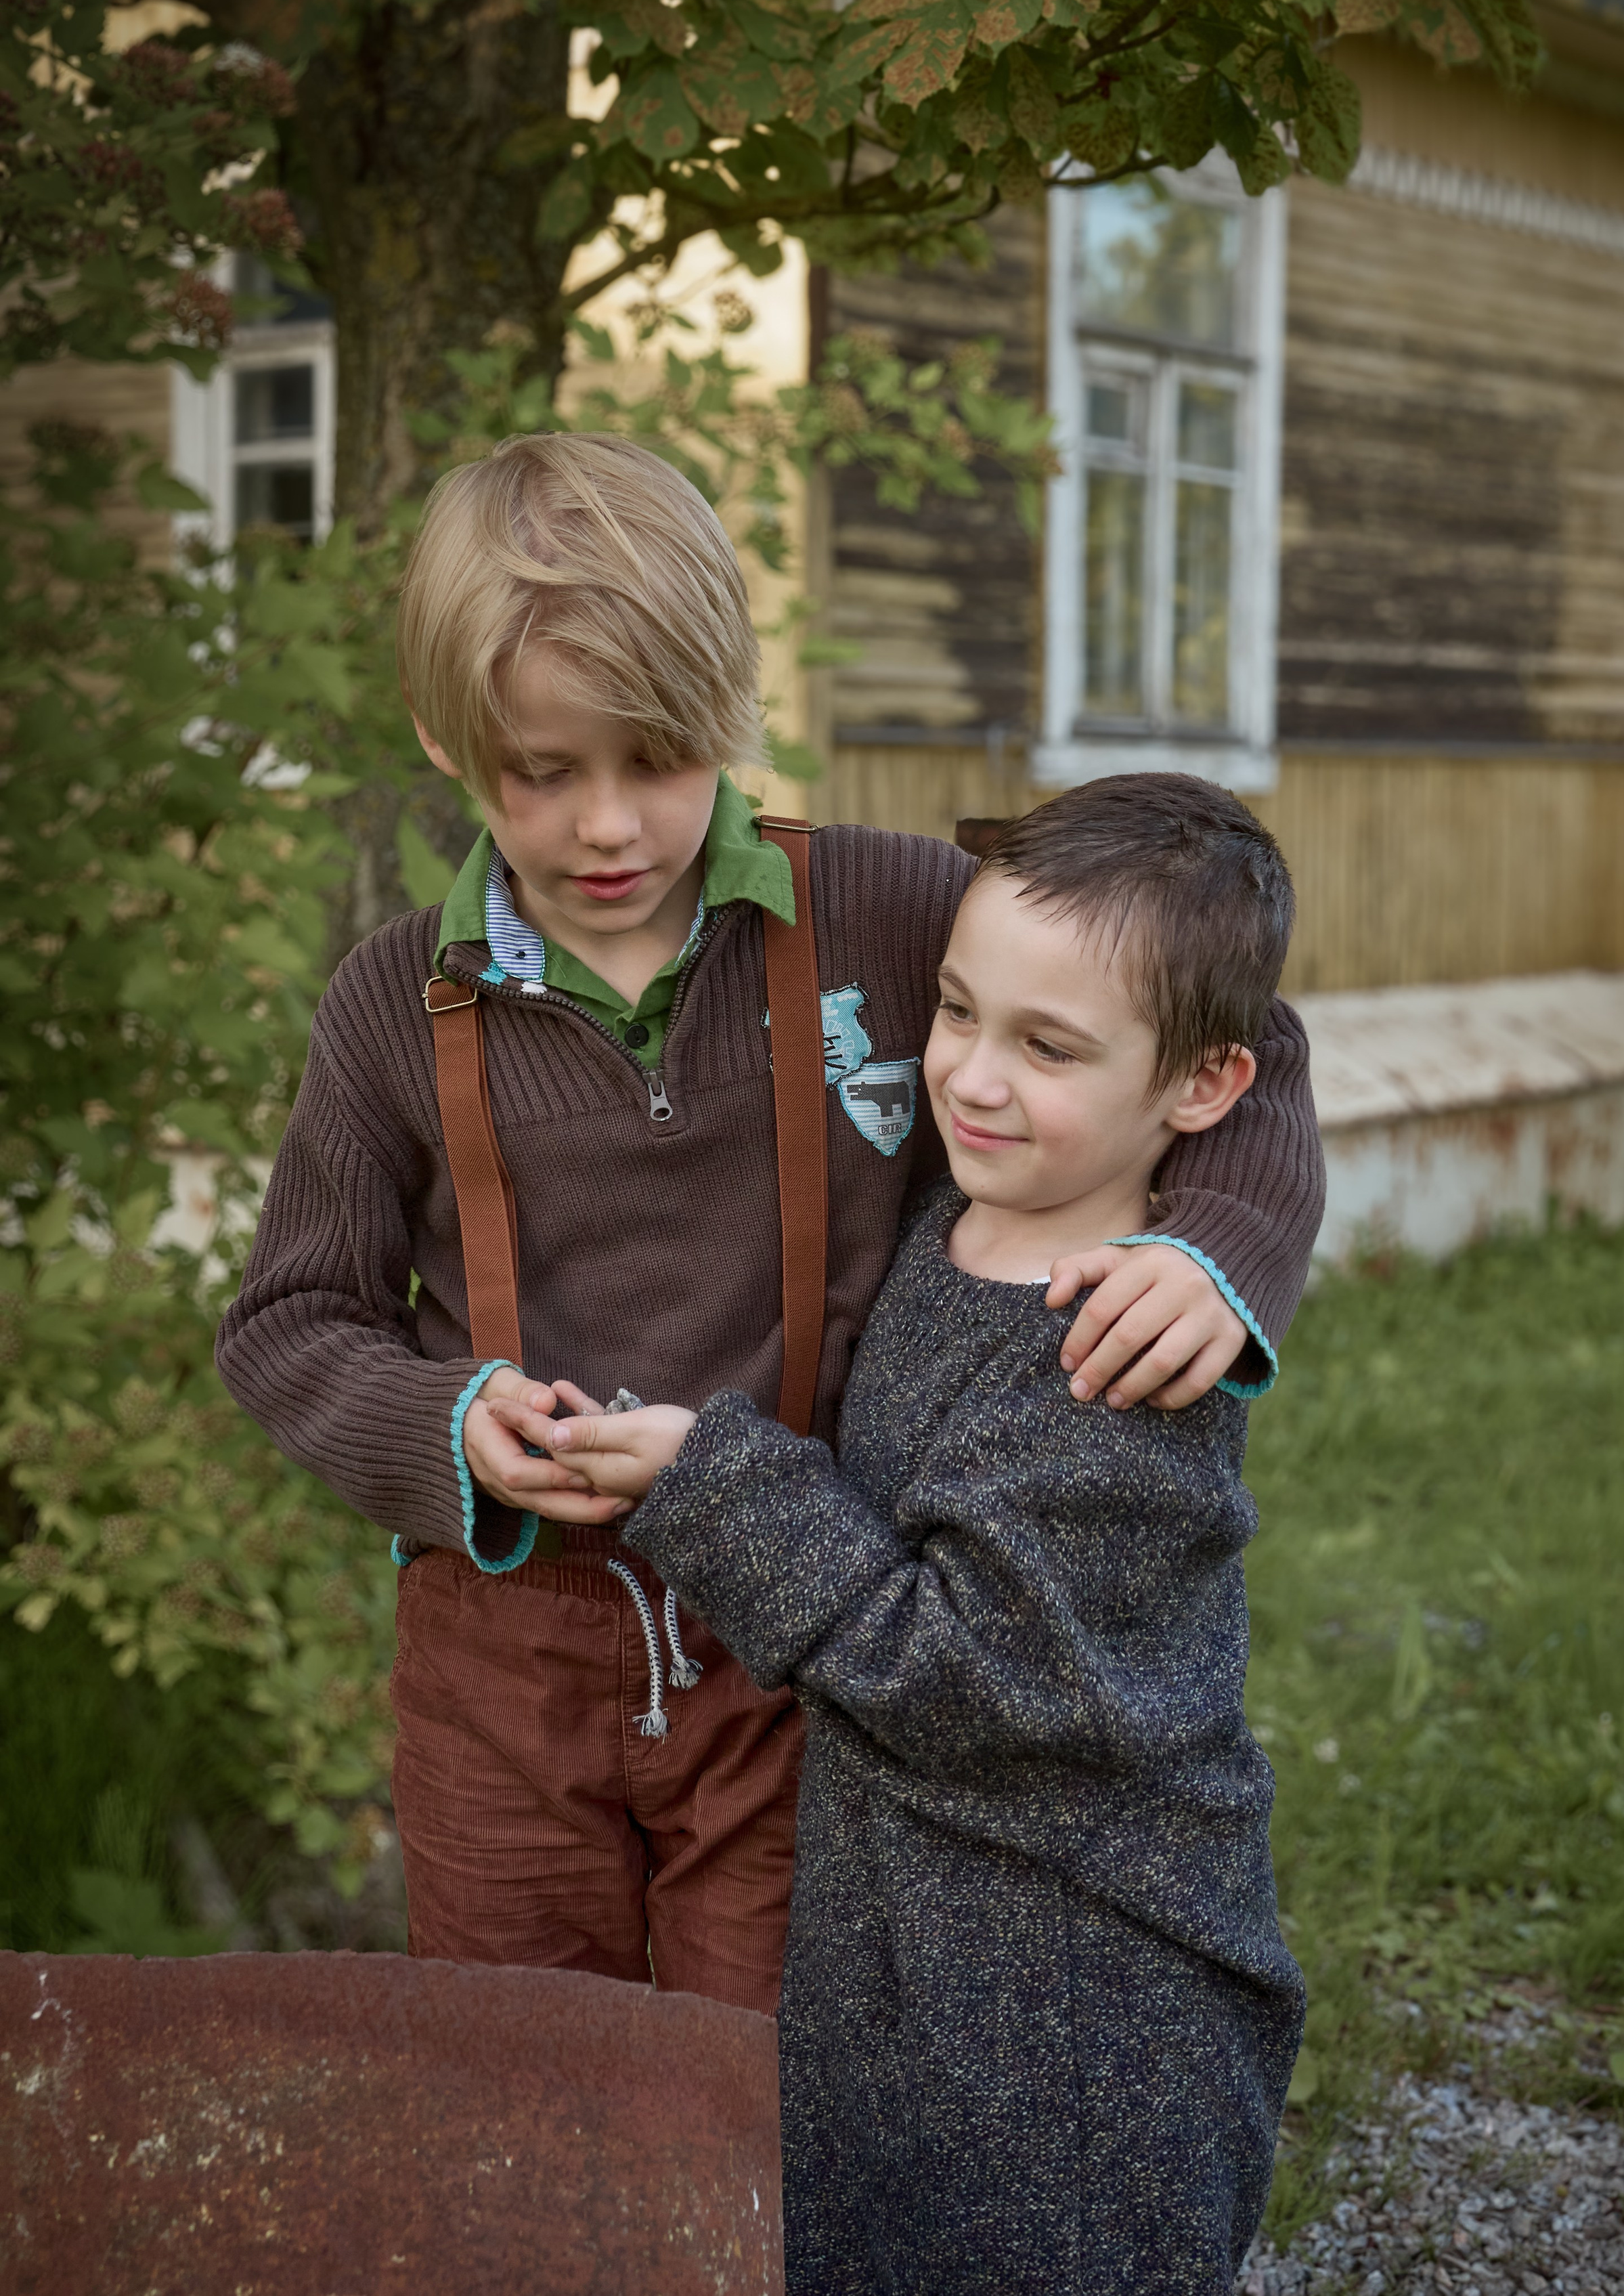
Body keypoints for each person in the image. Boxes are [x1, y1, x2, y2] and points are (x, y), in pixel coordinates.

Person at [215, 431, 1325, 2014]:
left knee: (761, 2088)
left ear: (728, 713)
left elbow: (1224, 1024)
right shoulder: (397, 1005)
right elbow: (288, 1319)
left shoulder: (876, 906)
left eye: (659, 758)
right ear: (446, 742)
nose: (609, 825)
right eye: (545, 771)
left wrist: (1219, 1239)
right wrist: (441, 1422)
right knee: (519, 2075)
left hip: (793, 1630)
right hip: (499, 1663)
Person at [537, 773, 1310, 2296]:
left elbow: (976, 1674)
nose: (970, 1075)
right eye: (955, 1012)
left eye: (1048, 1048)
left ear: (1200, 1089)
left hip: (1080, 1996)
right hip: (916, 1942)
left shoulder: (1118, 1353)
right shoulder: (958, 1216)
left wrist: (713, 1483)